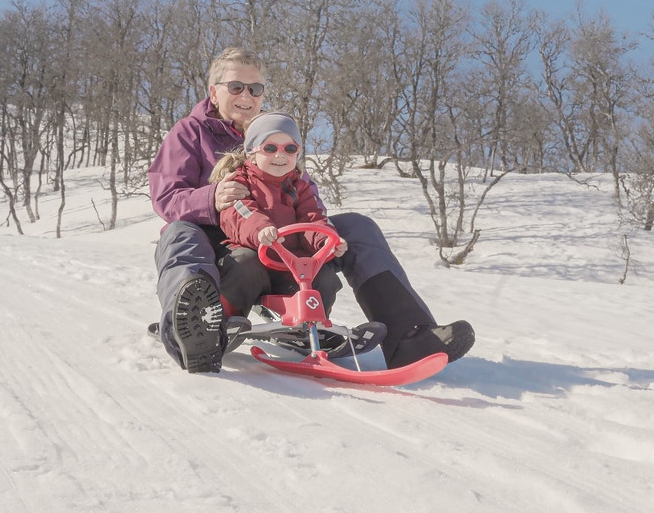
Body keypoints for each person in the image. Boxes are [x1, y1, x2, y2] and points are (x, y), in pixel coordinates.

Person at [148, 47, 475, 374]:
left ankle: (409, 336)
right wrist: (211, 198)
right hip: (220, 245)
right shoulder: (190, 133)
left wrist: (323, 238)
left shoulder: (277, 133)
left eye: (255, 88)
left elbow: (308, 201)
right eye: (236, 87)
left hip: (281, 246)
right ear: (214, 92)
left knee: (356, 226)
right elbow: (166, 196)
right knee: (180, 233)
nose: (246, 96)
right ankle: (192, 332)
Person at [212, 111, 344, 314]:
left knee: (323, 276)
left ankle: (314, 323)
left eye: (290, 149)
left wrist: (324, 241)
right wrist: (261, 229)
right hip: (255, 256)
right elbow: (240, 212)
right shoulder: (240, 181)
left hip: (290, 263)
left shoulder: (299, 187)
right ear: (252, 153)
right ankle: (227, 319)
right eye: (270, 148)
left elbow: (312, 217)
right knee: (243, 265)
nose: (280, 155)